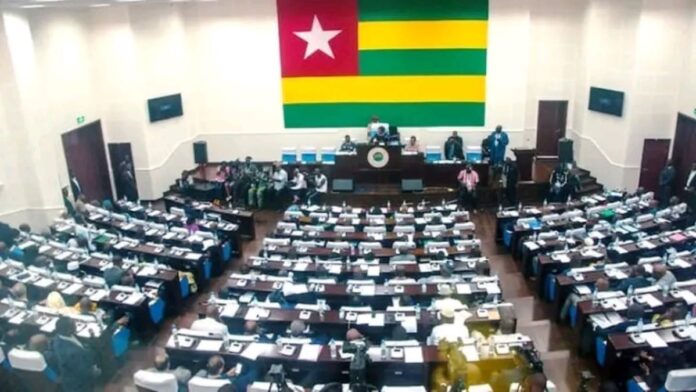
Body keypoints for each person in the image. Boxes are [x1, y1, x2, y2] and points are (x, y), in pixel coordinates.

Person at [50, 317, 99, 392]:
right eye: (74, 325)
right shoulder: (71, 352)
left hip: (71, 375)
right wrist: (94, 371)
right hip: (79, 384)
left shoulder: (59, 337)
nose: (76, 326)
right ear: (69, 330)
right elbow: (83, 372)